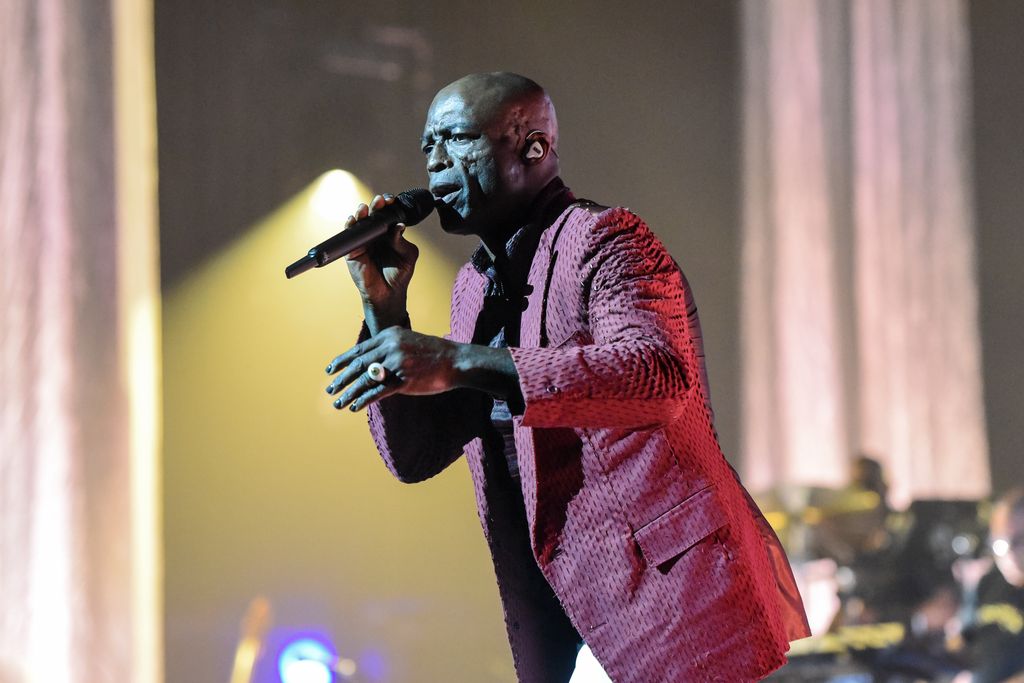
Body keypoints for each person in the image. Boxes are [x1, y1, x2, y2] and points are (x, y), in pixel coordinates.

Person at [324, 72, 809, 682]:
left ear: (533, 147)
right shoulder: (474, 286)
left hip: (667, 600)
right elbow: (415, 456)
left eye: (456, 139)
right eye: (427, 145)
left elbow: (655, 377)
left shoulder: (607, 240)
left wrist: (456, 361)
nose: (435, 162)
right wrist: (385, 310)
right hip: (559, 610)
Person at [952, 489, 1024, 683]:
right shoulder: (989, 582)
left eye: (1018, 541)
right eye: (1000, 543)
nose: (1008, 554)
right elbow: (964, 640)